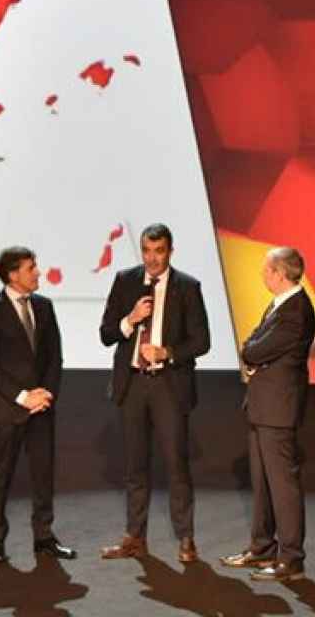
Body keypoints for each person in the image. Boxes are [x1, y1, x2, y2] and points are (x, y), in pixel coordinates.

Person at [97, 223, 211, 563]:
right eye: (147, 251)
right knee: (135, 466)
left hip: (168, 385)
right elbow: (106, 333)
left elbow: (202, 341)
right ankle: (135, 537)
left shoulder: (188, 287)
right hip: (132, 384)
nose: (152, 259)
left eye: (158, 252)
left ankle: (186, 539)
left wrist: (168, 353)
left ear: (170, 252)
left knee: (176, 465)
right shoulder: (125, 281)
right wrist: (130, 320)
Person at [0, 245, 75, 564]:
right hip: (7, 409)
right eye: (32, 268)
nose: (38, 273)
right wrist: (22, 397)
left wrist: (46, 394)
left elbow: (54, 357)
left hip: (42, 408)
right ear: (13, 274)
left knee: (43, 474)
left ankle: (44, 537)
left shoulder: (44, 307)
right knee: (0, 475)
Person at [220, 246, 315, 581]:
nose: (262, 275)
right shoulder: (281, 306)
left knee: (283, 486)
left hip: (278, 410)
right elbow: (253, 344)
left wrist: (251, 356)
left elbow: (254, 348)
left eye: (266, 270)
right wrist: (252, 354)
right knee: (262, 483)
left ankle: (291, 559)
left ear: (279, 273)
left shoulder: (296, 311)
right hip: (263, 407)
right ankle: (262, 548)